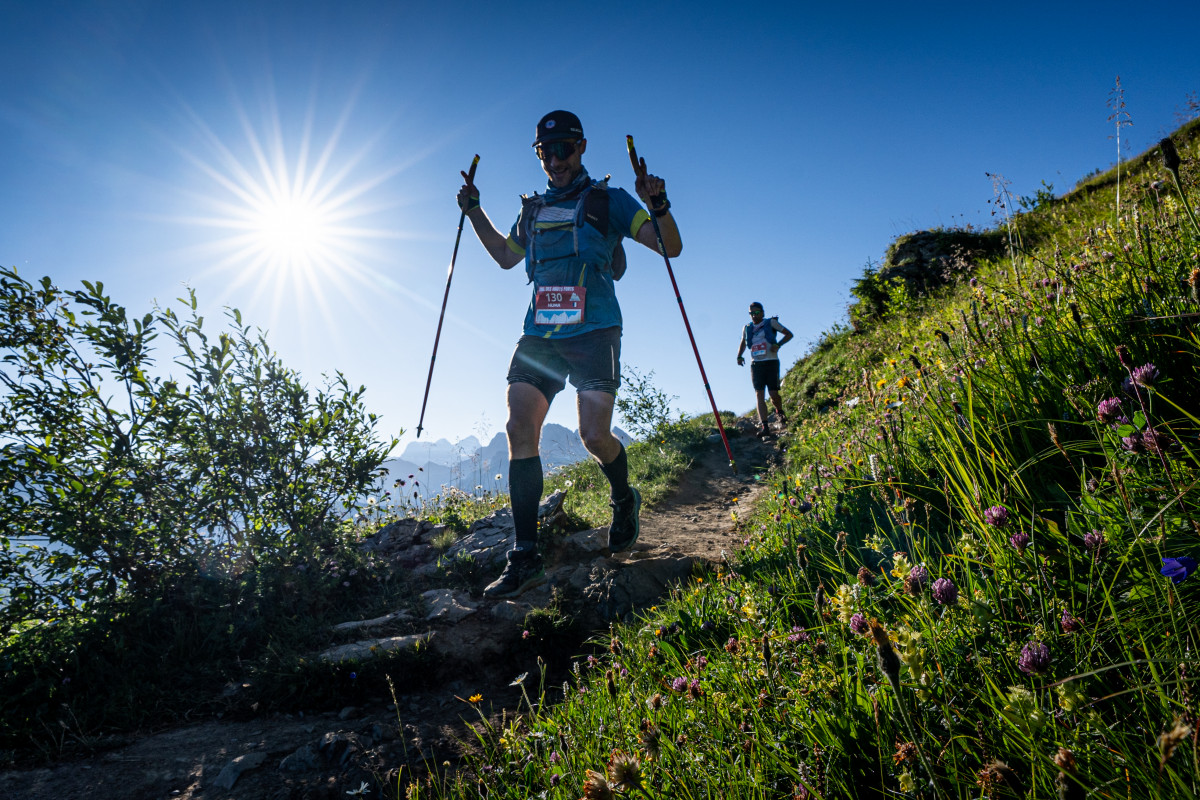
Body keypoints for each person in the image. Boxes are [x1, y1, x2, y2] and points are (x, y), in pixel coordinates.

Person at [457, 110, 682, 598]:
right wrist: (474, 210)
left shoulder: (610, 201)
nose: (555, 161)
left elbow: (671, 247)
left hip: (595, 331)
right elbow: (506, 256)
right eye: (546, 152)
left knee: (594, 436)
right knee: (519, 428)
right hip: (540, 335)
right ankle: (524, 557)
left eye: (563, 150)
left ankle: (623, 498)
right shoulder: (533, 209)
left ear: (581, 148)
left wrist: (658, 204)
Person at [736, 301, 793, 437]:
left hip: (771, 362)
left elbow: (789, 334)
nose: (754, 316)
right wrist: (739, 356)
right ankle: (765, 426)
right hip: (756, 364)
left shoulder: (770, 323)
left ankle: (779, 411)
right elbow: (743, 342)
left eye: (756, 313)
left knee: (773, 394)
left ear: (762, 312)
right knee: (759, 394)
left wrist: (778, 345)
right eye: (751, 313)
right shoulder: (747, 328)